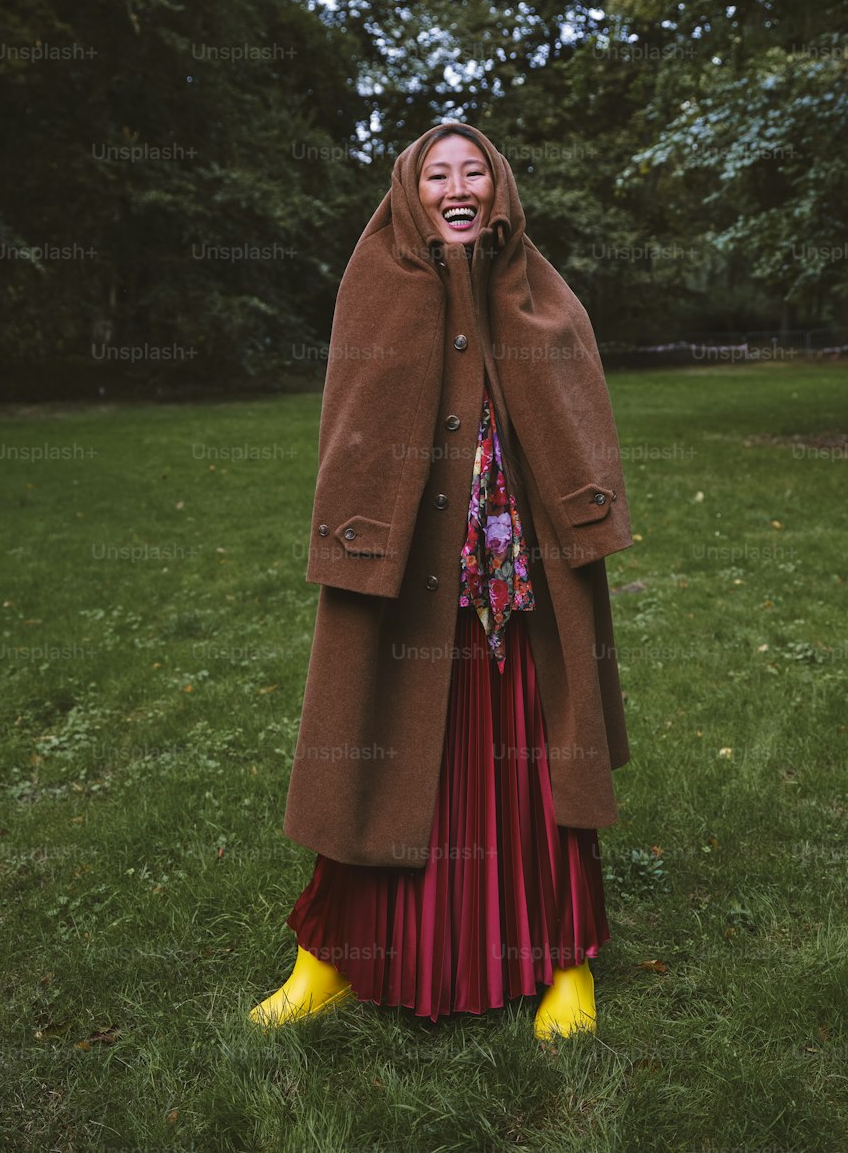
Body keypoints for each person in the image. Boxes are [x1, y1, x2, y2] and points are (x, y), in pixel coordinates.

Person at [249, 121, 633, 1040]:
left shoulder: (538, 288)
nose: (456, 186)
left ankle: (564, 961)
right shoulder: (376, 278)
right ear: (409, 191)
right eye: (436, 174)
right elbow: (353, 418)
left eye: (474, 172)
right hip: (403, 576)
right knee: (369, 748)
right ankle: (329, 959)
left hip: (520, 584)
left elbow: (578, 407)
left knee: (543, 760)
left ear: (498, 191)